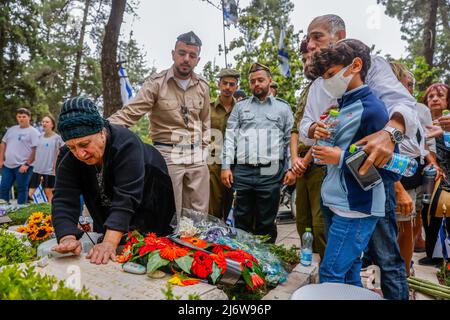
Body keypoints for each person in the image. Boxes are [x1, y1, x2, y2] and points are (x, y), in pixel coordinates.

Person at [297, 14, 415, 300]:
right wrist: (316, 129)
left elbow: (400, 111)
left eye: (317, 36)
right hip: (336, 192)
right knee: (349, 263)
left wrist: (389, 134)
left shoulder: (371, 89)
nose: (309, 44)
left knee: (384, 257)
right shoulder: (328, 92)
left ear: (340, 35)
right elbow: (304, 128)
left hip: (363, 196)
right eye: (307, 38)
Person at [310, 39, 400, 288]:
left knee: (330, 273)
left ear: (355, 66)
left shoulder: (372, 110)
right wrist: (322, 134)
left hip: (356, 207)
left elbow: (388, 172)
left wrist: (338, 157)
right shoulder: (341, 106)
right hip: (337, 201)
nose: (327, 82)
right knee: (349, 272)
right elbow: (347, 146)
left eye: (330, 74)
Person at [51, 97, 175, 265]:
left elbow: (126, 197)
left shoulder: (126, 144)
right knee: (107, 246)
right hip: (109, 203)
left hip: (152, 196)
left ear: (102, 133)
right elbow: (64, 199)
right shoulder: (69, 157)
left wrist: (109, 242)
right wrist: (67, 237)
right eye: (72, 147)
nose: (80, 154)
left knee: (148, 249)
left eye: (84, 144)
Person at [108, 31, 210, 219]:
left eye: (192, 55)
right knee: (170, 214)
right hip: (167, 154)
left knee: (199, 216)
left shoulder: (203, 86)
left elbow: (205, 122)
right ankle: (172, 249)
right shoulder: (156, 84)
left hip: (197, 155)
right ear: (173, 54)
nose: (186, 59)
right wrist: (101, 129)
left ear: (198, 59)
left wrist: (203, 151)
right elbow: (130, 113)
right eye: (182, 53)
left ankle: (197, 247)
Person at [221, 62, 294, 243]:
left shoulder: (283, 108)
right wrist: (225, 166)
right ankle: (243, 261)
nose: (256, 84)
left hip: (270, 171)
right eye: (252, 81)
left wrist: (291, 169)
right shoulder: (240, 107)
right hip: (243, 171)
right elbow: (230, 137)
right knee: (241, 218)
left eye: (260, 80)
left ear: (269, 80)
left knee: (266, 221)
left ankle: (268, 263)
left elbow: (290, 140)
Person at [389, 62, 442, 275]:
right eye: (406, 84)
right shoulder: (388, 106)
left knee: (408, 224)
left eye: (412, 85)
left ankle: (404, 270)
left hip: (412, 172)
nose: (410, 89)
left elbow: (420, 145)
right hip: (394, 173)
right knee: (395, 227)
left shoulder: (414, 109)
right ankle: (398, 272)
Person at [290, 37, 326, 259]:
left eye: (309, 58)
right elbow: (295, 129)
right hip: (301, 164)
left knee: (320, 224)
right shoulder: (307, 90)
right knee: (303, 222)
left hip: (319, 162)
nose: (306, 65)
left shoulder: (327, 86)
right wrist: (295, 160)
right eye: (303, 60)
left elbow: (326, 128)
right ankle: (308, 268)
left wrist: (304, 161)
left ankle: (327, 275)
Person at [419, 83, 450, 266]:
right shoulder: (422, 121)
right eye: (431, 97)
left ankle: (445, 256)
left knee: (444, 211)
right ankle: (433, 254)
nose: (435, 99)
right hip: (428, 173)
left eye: (440, 96)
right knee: (427, 211)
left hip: (446, 173)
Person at [208, 68, 240, 220]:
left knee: (231, 204)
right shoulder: (208, 109)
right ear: (219, 84)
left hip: (235, 163)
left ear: (237, 87)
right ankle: (212, 237)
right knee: (212, 206)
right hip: (213, 162)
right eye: (225, 83)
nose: (228, 87)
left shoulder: (241, 109)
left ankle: (227, 238)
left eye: (232, 84)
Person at [0, 108, 40, 204]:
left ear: (29, 117)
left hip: (23, 166)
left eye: (24, 117)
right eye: (19, 117)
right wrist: (1, 160)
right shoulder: (11, 130)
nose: (21, 119)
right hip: (7, 166)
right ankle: (3, 211)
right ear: (16, 118)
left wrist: (27, 164)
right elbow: (3, 144)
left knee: (22, 189)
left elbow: (37, 149)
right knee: (3, 188)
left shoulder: (33, 132)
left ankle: (21, 213)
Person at [28, 114, 64, 203]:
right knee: (31, 194)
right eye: (43, 121)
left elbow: (60, 154)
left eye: (47, 122)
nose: (44, 123)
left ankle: (51, 215)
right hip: (37, 170)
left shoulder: (57, 138)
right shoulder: (39, 137)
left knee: (49, 196)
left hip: (50, 171)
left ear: (52, 124)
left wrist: (56, 169)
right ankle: (40, 214)